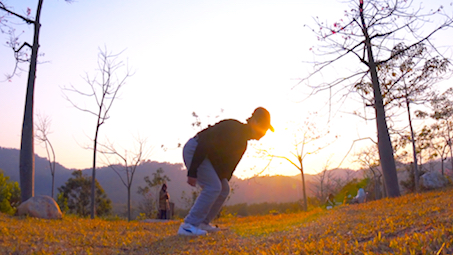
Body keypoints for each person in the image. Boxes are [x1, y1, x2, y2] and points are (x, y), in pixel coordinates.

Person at [177, 107, 274, 236]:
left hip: (207, 158)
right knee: (213, 187)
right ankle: (189, 225)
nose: (264, 133)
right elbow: (205, 142)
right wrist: (192, 172)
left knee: (223, 188)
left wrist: (221, 181)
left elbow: (227, 170)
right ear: (255, 122)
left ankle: (203, 223)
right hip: (195, 149)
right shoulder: (233, 127)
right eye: (264, 128)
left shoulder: (242, 144)